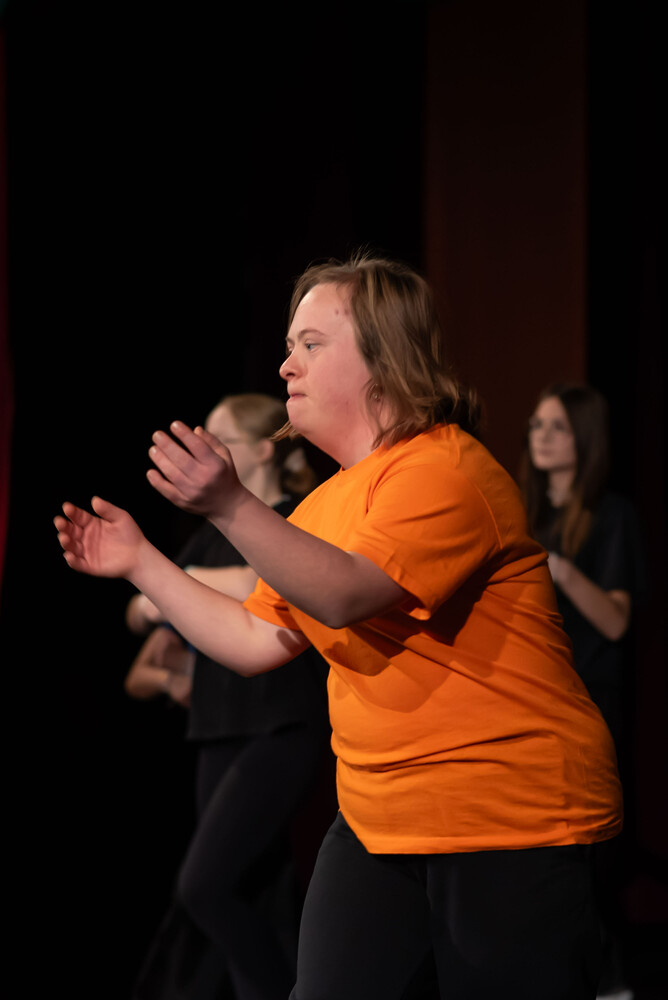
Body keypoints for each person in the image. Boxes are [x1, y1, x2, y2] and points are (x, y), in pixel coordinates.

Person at [55, 253, 623, 1000]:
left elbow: (347, 594)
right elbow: (254, 642)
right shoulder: (322, 507)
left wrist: (230, 506)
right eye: (288, 345)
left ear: (384, 361)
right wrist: (140, 562)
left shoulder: (445, 470)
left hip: (505, 813)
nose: (286, 366)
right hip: (377, 818)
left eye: (311, 344)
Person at [125, 394, 333, 1000]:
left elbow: (258, 582)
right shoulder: (209, 537)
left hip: (281, 725)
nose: (202, 450)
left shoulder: (294, 515)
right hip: (217, 727)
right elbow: (137, 613)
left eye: (218, 439)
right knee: (255, 892)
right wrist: (160, 596)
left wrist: (165, 584)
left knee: (205, 887)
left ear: (264, 450)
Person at [520, 382, 646, 1000]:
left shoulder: (611, 515)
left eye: (557, 427)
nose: (541, 437)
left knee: (584, 847)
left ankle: (611, 981)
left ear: (584, 439)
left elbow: (618, 622)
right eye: (536, 426)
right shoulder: (521, 509)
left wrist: (561, 568)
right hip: (530, 695)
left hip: (590, 696)